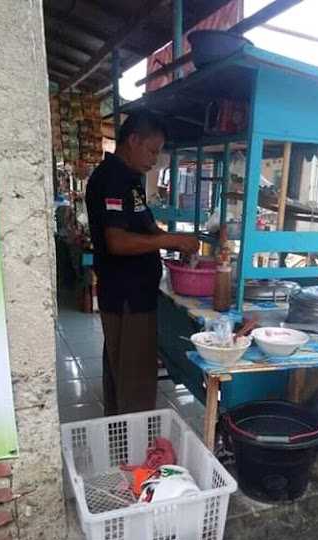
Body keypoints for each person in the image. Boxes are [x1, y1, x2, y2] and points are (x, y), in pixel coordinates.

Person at [86, 110, 199, 416]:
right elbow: (117, 241)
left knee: (121, 368)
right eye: (151, 151)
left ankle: (119, 436)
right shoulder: (112, 179)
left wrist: (174, 238)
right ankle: (134, 454)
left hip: (136, 293)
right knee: (133, 378)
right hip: (126, 295)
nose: (154, 160)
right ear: (133, 140)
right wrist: (171, 241)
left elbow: (146, 226)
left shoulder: (131, 180)